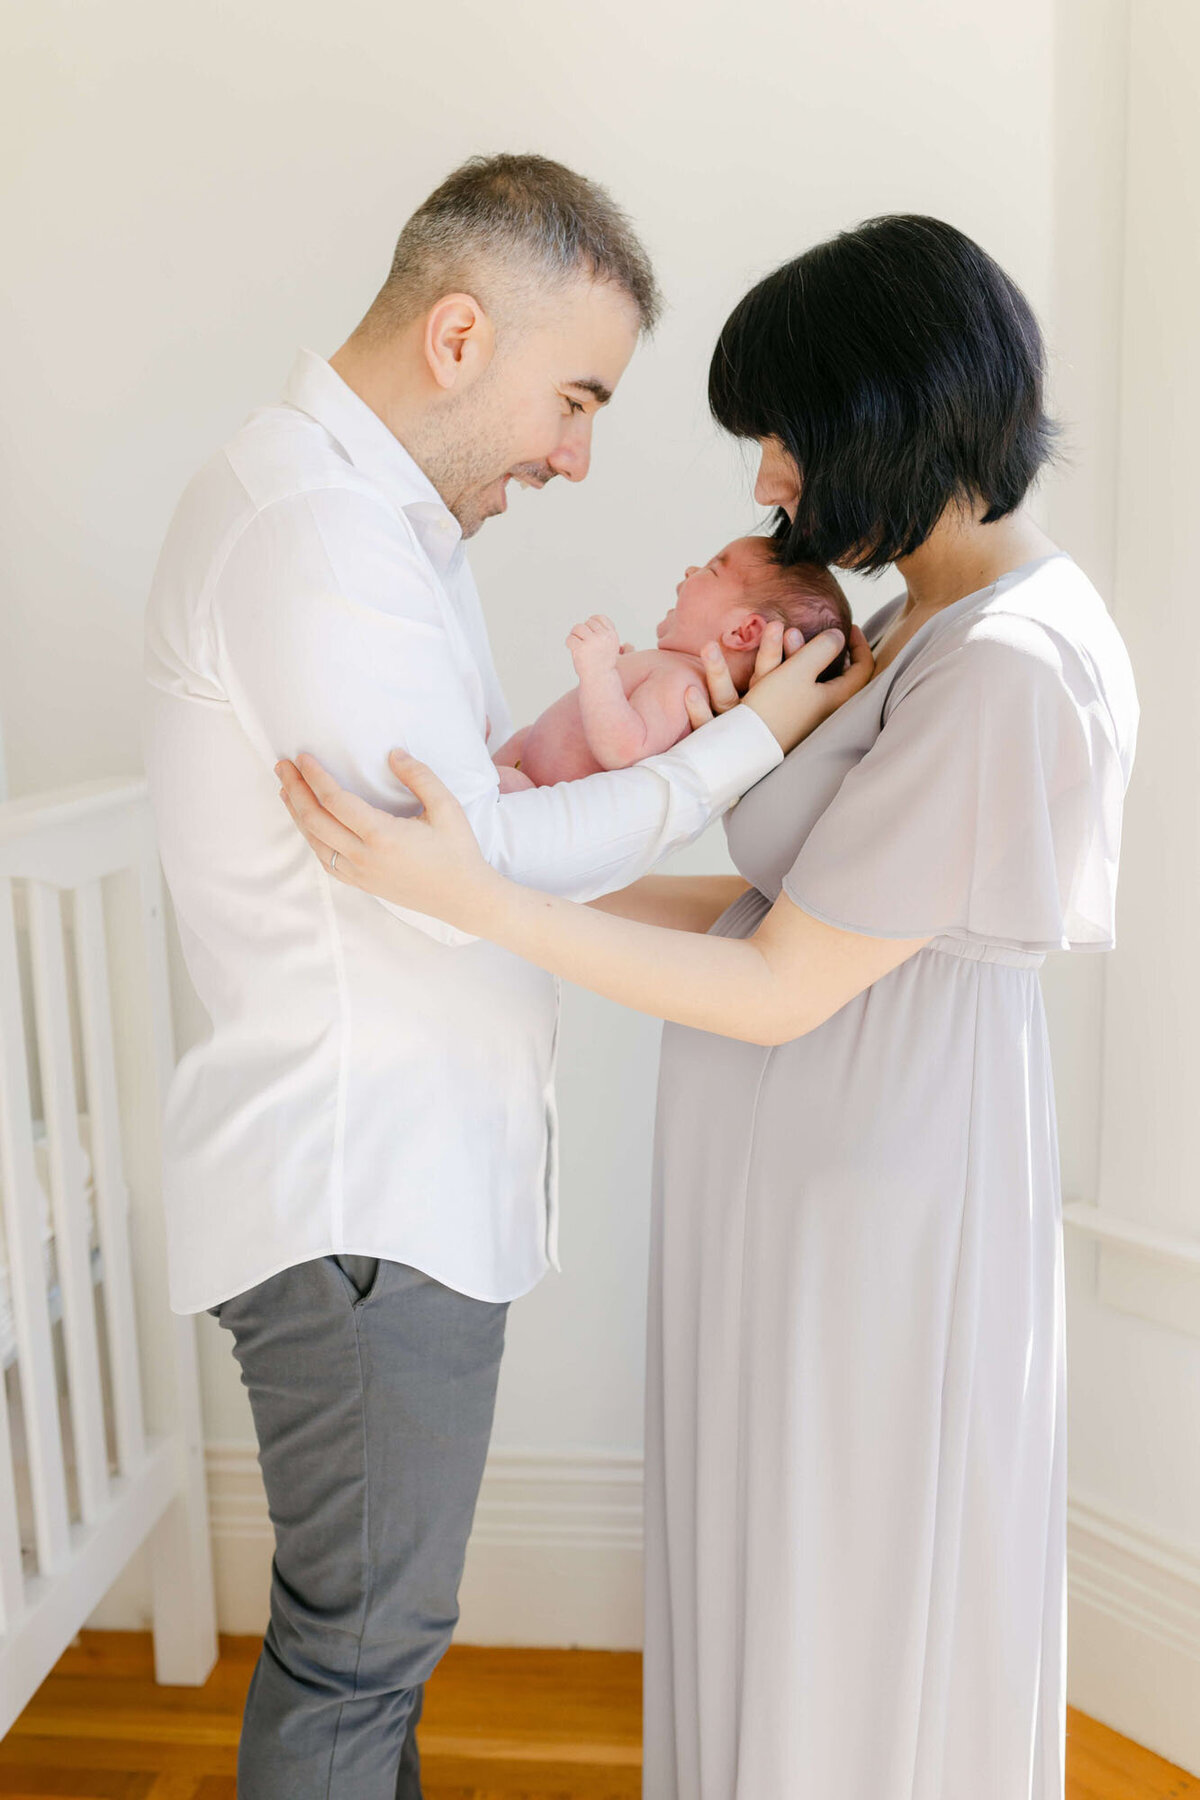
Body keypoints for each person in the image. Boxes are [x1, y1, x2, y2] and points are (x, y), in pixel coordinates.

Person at [278, 214, 1139, 1800]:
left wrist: (485, 903)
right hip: (812, 1189)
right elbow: (774, 914)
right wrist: (493, 867)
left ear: (888, 412)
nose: (765, 481)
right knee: (783, 1590)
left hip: (880, 1202)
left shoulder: (1003, 663)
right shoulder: (912, 622)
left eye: (783, 437)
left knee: (851, 1610)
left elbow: (776, 983)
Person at [143, 152, 864, 1798]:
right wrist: (749, 736)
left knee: (367, 1648)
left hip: (386, 1196)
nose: (577, 454)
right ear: (459, 339)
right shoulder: (317, 534)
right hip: (365, 1199)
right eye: (576, 398)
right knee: (355, 1659)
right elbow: (464, 874)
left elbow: (478, 843)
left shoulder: (370, 533)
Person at [491, 536, 850, 787]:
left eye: (711, 570)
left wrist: (599, 675)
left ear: (742, 632)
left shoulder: (683, 685)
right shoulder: (672, 669)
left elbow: (626, 750)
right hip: (529, 766)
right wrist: (618, 680)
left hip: (537, 797)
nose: (690, 569)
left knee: (496, 786)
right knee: (498, 755)